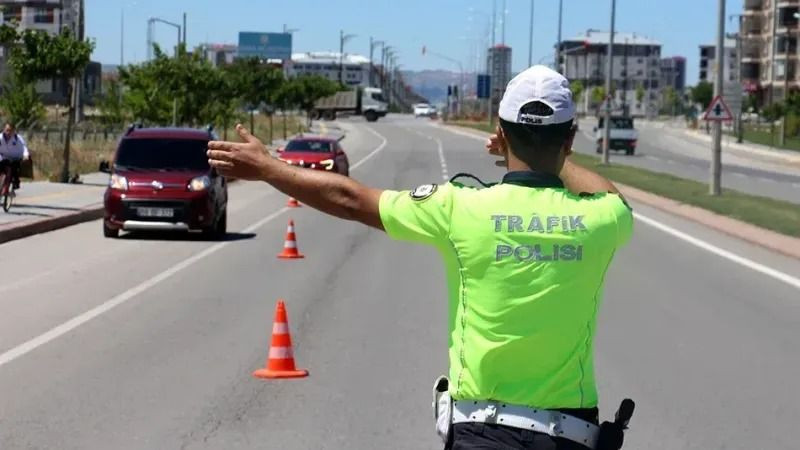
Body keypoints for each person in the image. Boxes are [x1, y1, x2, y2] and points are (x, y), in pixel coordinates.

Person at [207, 65, 633, 450]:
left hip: (482, 434)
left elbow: (350, 198)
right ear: (571, 139)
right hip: (571, 438)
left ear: (500, 133)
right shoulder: (600, 218)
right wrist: (555, 161)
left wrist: (269, 168)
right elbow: (613, 196)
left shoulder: (460, 208)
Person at [0, 122, 30, 189]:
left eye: (11, 130)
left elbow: (24, 147)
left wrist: (26, 155)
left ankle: (16, 182)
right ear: (4, 130)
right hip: (4, 156)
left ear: (14, 131)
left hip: (15, 157)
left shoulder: (17, 138)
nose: (8, 132)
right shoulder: (0, 138)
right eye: (7, 130)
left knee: (14, 169)